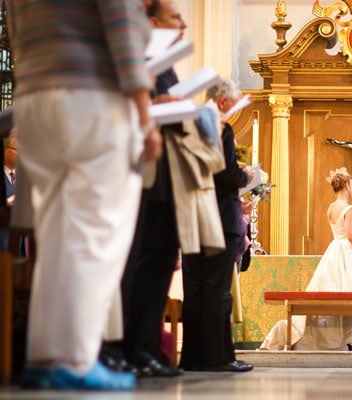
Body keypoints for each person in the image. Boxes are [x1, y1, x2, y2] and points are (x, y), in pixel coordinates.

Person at [9, 0, 161, 390]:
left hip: (34, 98)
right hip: (92, 97)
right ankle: (76, 358)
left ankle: (46, 356)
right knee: (97, 231)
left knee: (57, 232)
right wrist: (145, 118)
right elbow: (123, 26)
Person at [121, 0, 187, 377]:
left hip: (164, 176)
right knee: (142, 263)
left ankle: (147, 348)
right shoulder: (140, 58)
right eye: (175, 18)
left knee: (160, 263)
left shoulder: (164, 62)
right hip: (143, 175)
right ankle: (134, 348)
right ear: (151, 22)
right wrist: (163, 106)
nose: (183, 26)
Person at [178, 80, 253, 372]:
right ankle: (220, 357)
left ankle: (193, 358)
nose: (232, 110)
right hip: (220, 218)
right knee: (218, 289)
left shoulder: (189, 125)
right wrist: (245, 175)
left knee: (195, 288)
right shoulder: (221, 128)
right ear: (223, 102)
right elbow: (224, 174)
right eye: (232, 105)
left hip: (192, 216)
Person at [260, 168, 352, 350]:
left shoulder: (330, 208)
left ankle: (340, 339)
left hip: (334, 249)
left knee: (334, 294)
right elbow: (350, 235)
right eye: (351, 184)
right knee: (350, 295)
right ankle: (347, 339)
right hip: (347, 252)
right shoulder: (350, 209)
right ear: (347, 185)